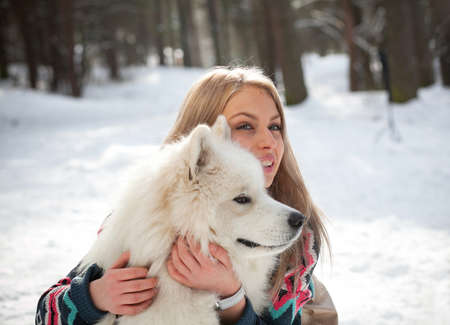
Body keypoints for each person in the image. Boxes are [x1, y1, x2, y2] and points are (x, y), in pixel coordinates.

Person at [35, 67, 338, 325]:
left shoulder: (298, 241)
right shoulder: (139, 222)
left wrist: (232, 297)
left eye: (275, 126)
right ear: (204, 143)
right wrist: (94, 297)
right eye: (245, 126)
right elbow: (44, 314)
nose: (268, 141)